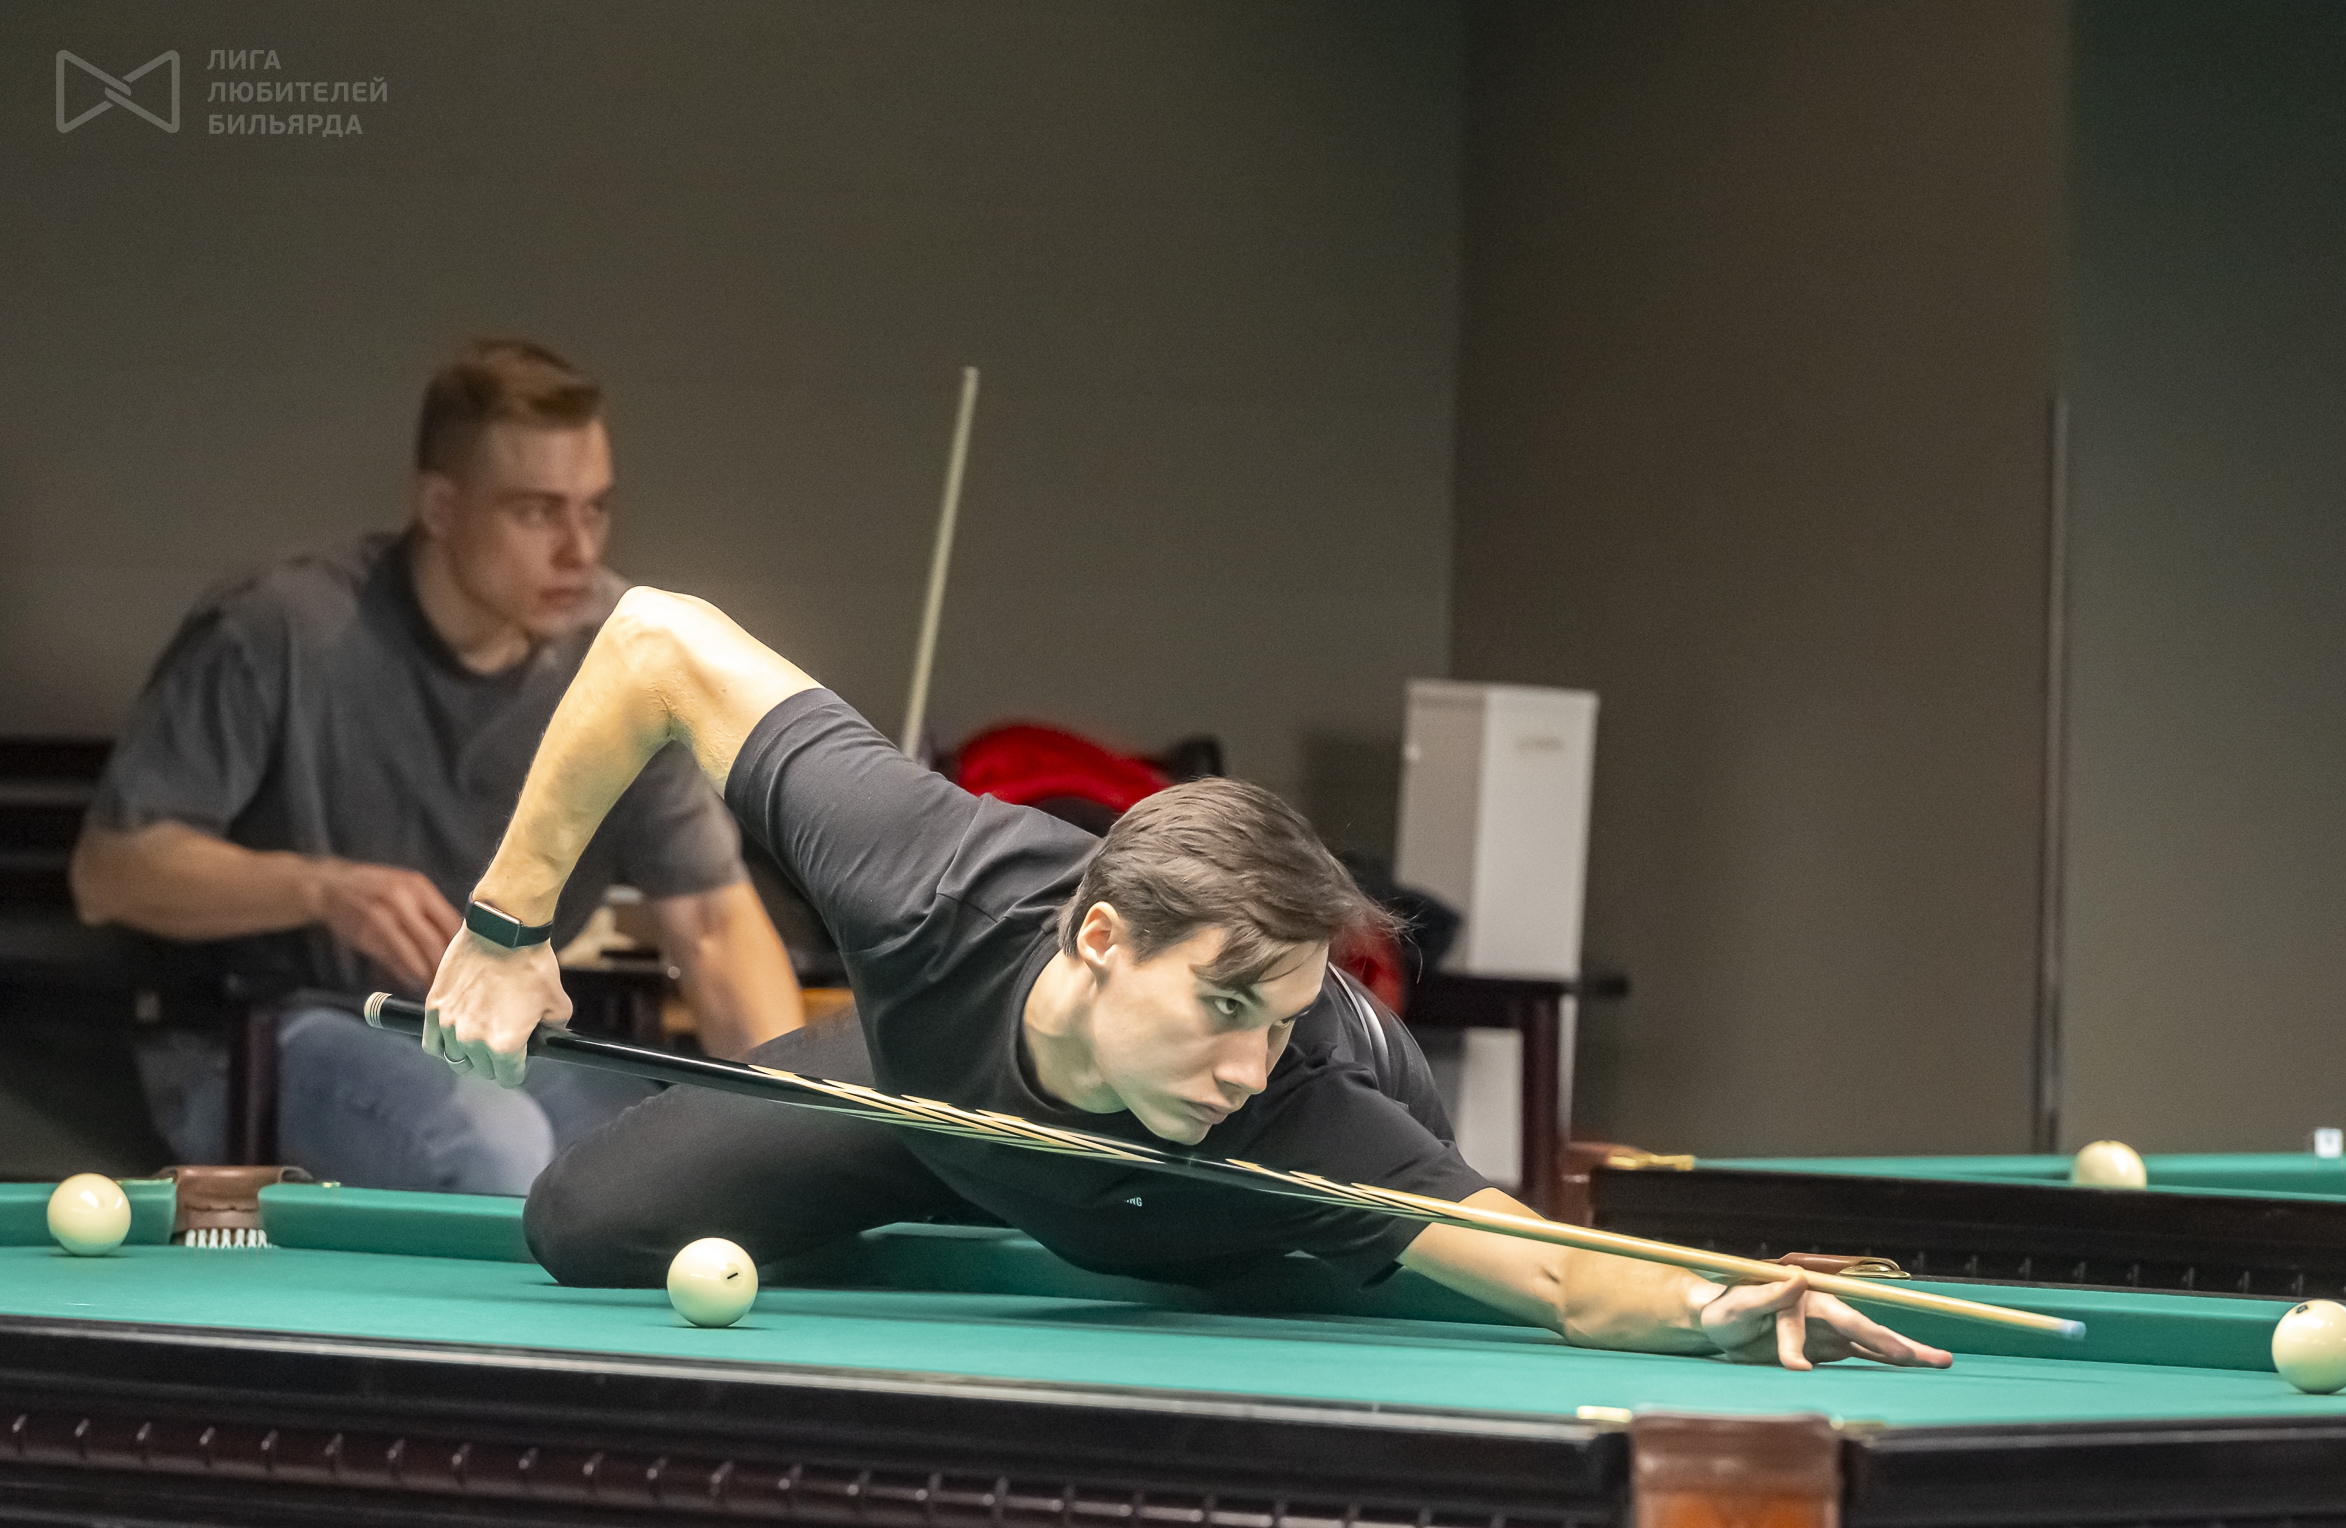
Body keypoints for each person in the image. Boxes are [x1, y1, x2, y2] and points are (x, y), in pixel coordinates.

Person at [419, 586, 1952, 1369]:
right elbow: (656, 640)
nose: (1245, 1062)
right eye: (1224, 1007)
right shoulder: (925, 877)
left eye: (1276, 1018)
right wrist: (504, 924)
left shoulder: (1299, 1118)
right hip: (939, 1100)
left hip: (1245, 1217)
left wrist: (1709, 1301)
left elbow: (1553, 1270)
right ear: (1100, 941)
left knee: (1291, 1303)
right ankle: (983, 1207)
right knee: (586, 1224)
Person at [70, 339, 804, 1194]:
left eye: (596, 509)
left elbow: (712, 926)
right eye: (537, 513)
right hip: (262, 1032)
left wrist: (798, 1133)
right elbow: (109, 874)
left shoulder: (620, 656)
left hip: (489, 1030)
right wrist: (320, 889)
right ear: (440, 506)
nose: (579, 550)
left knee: (655, 1165)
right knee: (493, 1146)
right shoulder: (284, 630)